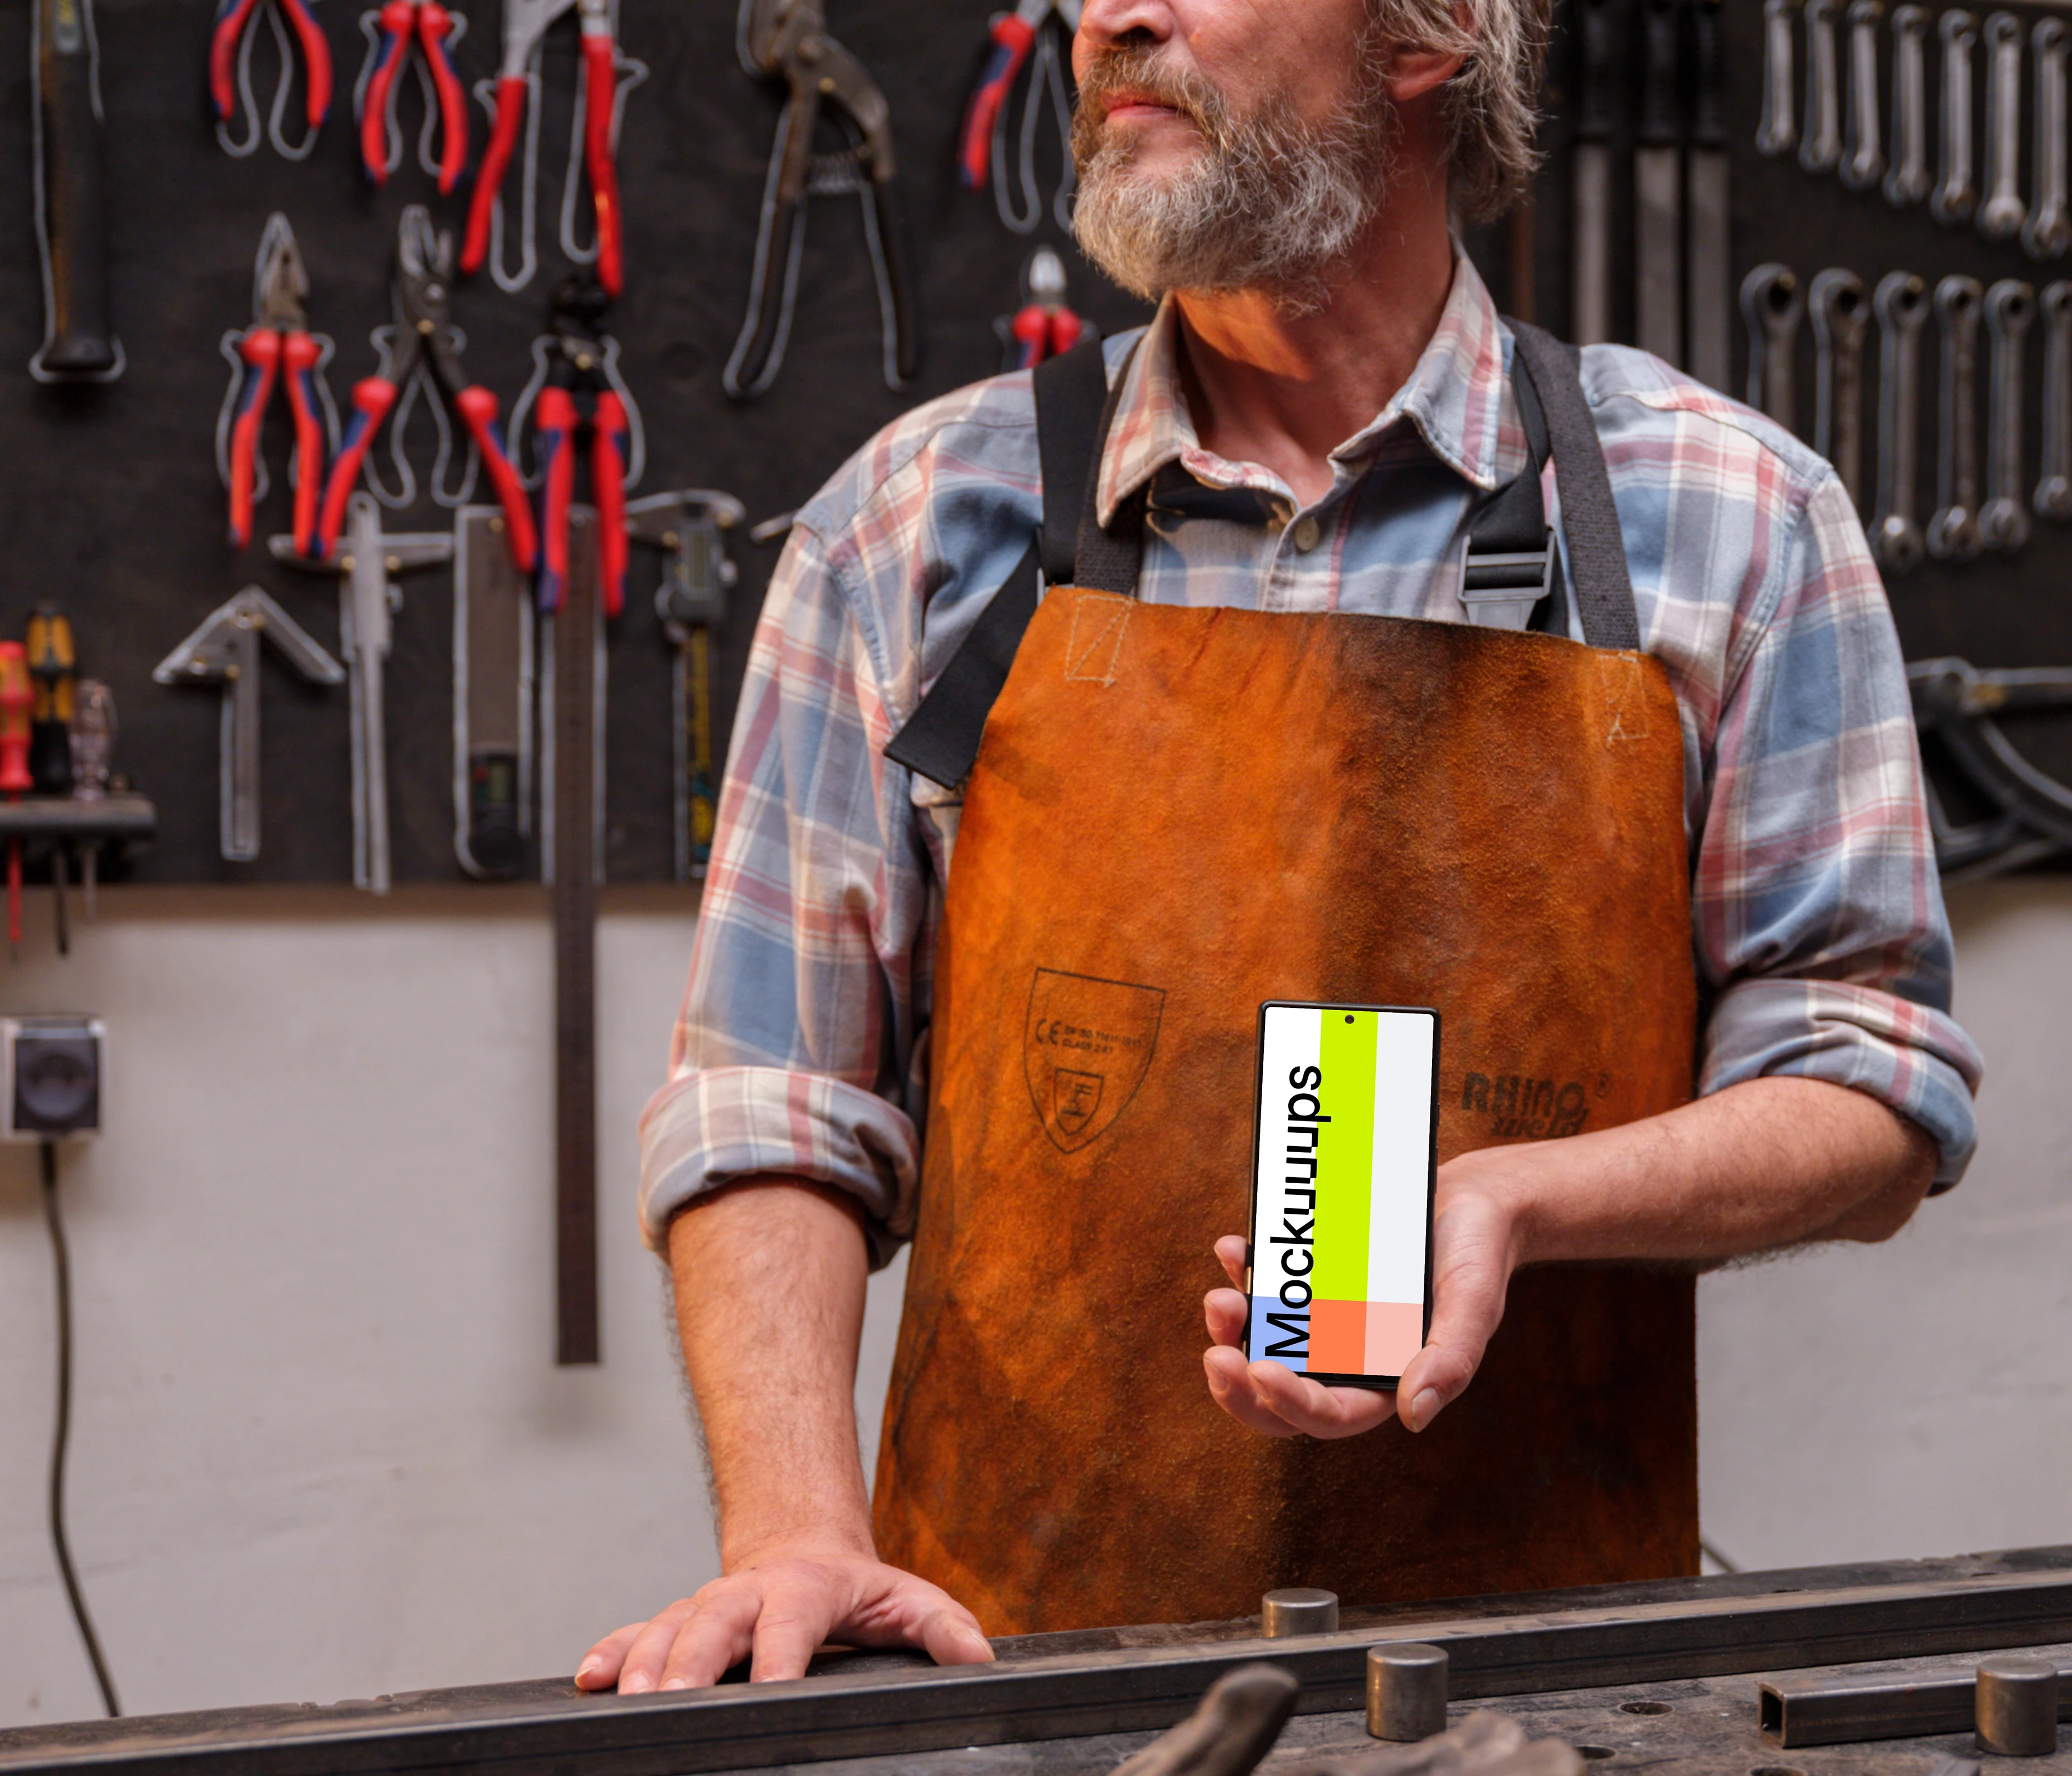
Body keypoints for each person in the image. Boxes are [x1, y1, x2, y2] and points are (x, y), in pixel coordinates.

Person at [586, 0, 1982, 1697]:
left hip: (1551, 1694)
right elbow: (775, 1105)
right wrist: (799, 1534)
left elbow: (1871, 1082)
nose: (1109, 16)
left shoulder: (1726, 515)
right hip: (1013, 1678)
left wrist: (1516, 1200)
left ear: (1427, 37)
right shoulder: (909, 527)